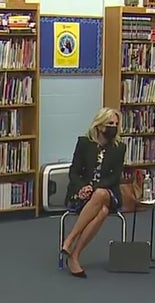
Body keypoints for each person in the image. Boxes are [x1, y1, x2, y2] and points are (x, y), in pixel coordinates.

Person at [59, 107, 126, 279]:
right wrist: (82, 187)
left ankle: (70, 239)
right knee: (102, 211)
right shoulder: (84, 143)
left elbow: (115, 177)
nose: (113, 127)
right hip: (83, 194)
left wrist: (94, 189)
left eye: (116, 124)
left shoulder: (119, 147)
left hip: (109, 193)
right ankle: (74, 257)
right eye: (109, 123)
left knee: (102, 195)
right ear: (99, 124)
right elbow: (74, 172)